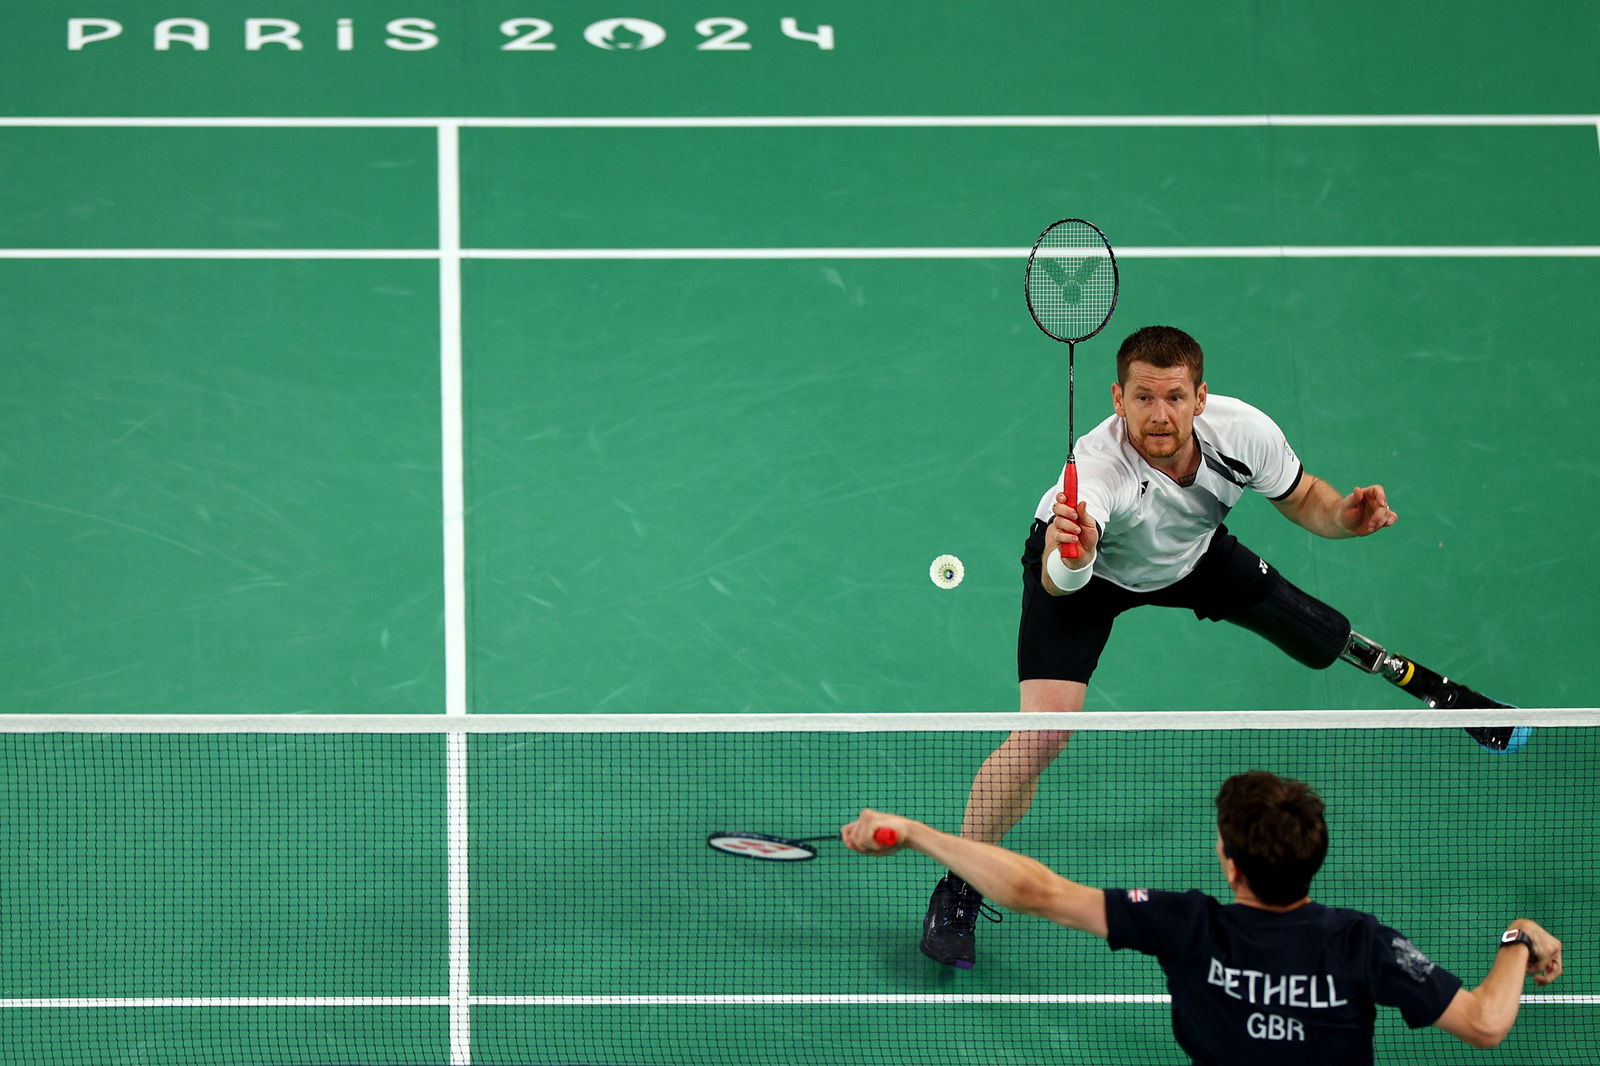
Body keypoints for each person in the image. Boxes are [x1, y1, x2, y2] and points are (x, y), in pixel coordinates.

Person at [921, 325, 1528, 970]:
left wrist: (1344, 519)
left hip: (1195, 556)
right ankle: (961, 882)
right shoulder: (1096, 471)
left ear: (1201, 398)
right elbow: (1059, 579)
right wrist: (1075, 553)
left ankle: (1436, 692)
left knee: (1322, 632)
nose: (1160, 415)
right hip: (1089, 571)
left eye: (1175, 397)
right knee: (1039, 738)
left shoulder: (1244, 434)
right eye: (1143, 397)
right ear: (1117, 398)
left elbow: (1305, 497)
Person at [848, 770, 1562, 1065]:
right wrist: (1517, 939)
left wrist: (916, 832)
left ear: (1228, 862)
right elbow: (1486, 1023)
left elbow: (1035, 891)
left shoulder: (1187, 924)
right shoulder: (1359, 944)